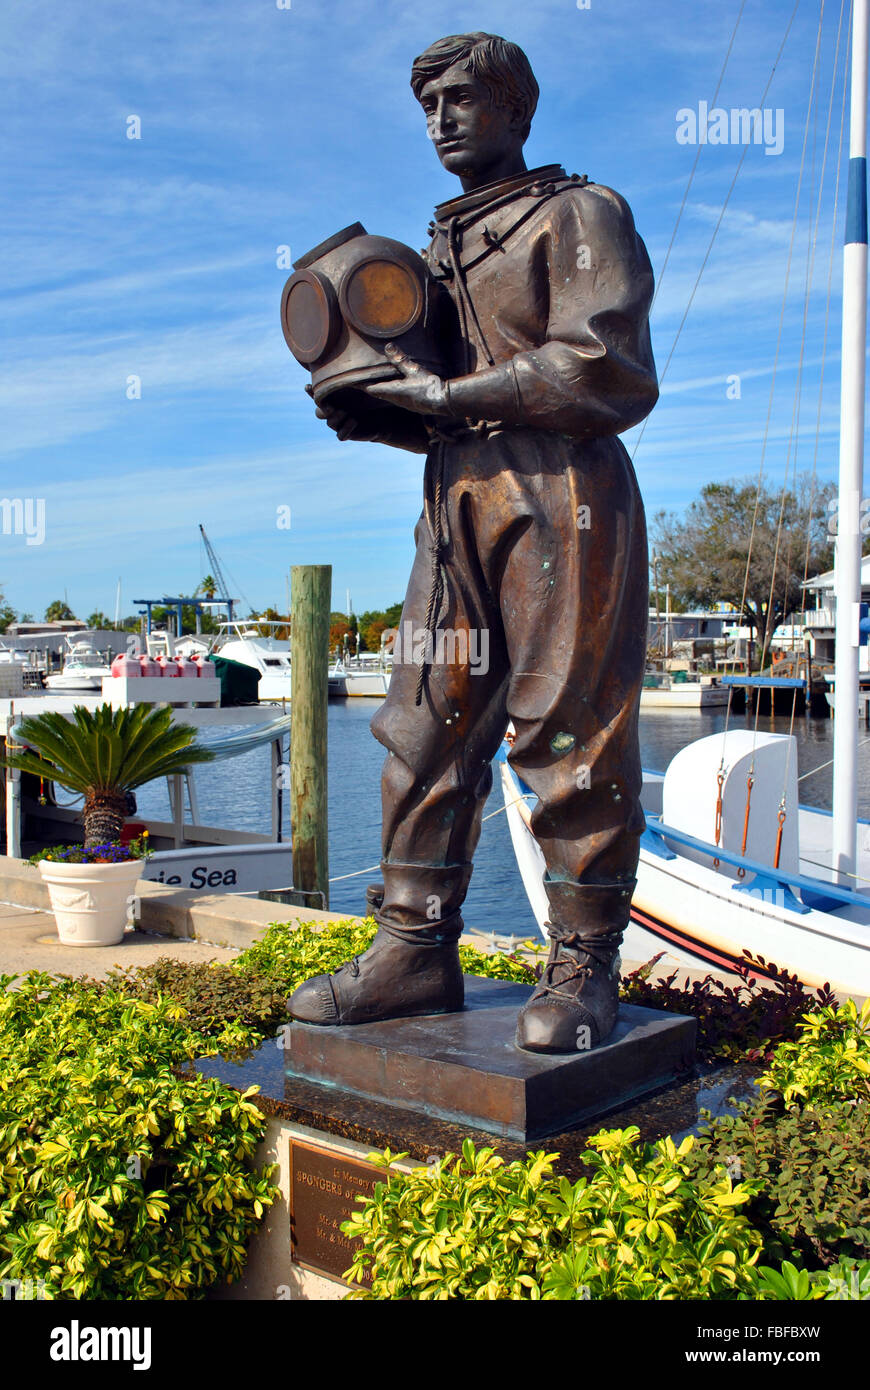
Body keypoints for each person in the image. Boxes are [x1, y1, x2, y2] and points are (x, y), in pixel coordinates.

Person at [289, 31, 658, 1053]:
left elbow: (606, 366)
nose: (443, 119)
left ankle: (583, 963)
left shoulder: (579, 214)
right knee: (423, 720)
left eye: (462, 99)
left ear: (515, 111)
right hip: (457, 505)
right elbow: (448, 404)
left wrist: (445, 395)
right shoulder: (448, 245)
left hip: (563, 498)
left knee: (566, 726)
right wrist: (385, 414)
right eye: (429, 107)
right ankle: (413, 948)